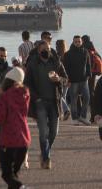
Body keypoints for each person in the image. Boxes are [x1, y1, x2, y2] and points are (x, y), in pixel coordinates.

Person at [23, 40, 67, 169]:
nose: (46, 51)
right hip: (40, 102)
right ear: (38, 50)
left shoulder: (56, 62)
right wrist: (36, 98)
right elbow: (27, 83)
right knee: (43, 132)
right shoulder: (32, 64)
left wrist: (59, 79)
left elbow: (66, 79)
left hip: (55, 101)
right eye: (43, 49)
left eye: (48, 48)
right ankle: (46, 158)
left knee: (54, 132)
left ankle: (44, 152)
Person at [0, 66, 30, 189]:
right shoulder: (25, 93)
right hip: (24, 137)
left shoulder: (5, 96)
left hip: (9, 139)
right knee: (14, 173)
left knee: (6, 174)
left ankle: (22, 187)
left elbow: (0, 118)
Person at [62, 35, 92, 125]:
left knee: (87, 97)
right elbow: (65, 68)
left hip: (84, 79)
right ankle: (75, 118)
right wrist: (68, 79)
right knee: (74, 100)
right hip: (73, 80)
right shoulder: (68, 54)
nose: (78, 43)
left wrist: (88, 75)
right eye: (76, 42)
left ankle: (83, 117)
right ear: (73, 42)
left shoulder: (85, 52)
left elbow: (88, 65)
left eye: (79, 41)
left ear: (81, 42)